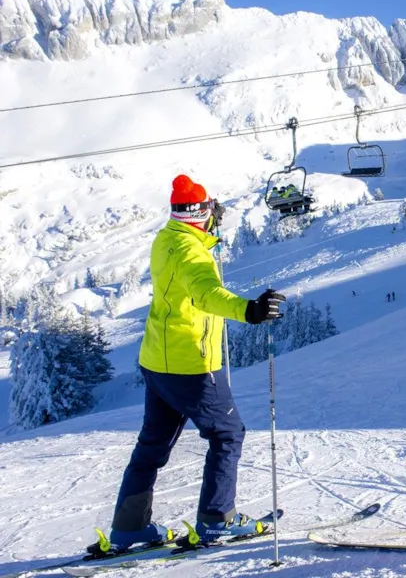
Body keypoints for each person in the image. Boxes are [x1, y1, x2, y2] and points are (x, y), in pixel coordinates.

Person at [102, 174, 286, 552]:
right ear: (200, 213)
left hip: (157, 361)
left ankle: (129, 527)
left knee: (152, 445)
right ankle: (216, 520)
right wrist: (249, 310)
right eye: (210, 209)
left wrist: (204, 226)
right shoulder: (191, 252)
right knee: (227, 433)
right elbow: (205, 293)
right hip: (192, 364)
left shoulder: (166, 239)